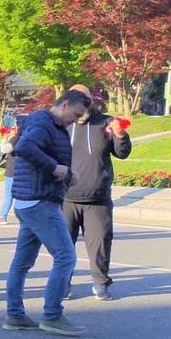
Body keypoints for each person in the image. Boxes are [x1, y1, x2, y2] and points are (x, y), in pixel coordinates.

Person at [5, 89, 92, 336]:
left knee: (22, 262)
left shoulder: (44, 122)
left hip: (29, 200)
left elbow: (32, 150)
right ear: (64, 105)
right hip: (39, 201)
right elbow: (25, 147)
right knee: (66, 257)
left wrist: (66, 174)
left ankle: (15, 314)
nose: (75, 121)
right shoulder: (44, 123)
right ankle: (52, 315)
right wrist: (55, 168)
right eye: (75, 115)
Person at [63, 93, 132, 300]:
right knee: (63, 246)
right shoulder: (61, 125)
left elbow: (122, 153)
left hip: (98, 198)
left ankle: (100, 283)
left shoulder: (106, 122)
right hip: (65, 198)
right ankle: (63, 284)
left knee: (100, 242)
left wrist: (120, 135)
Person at [0, 122, 20, 225]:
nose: (13, 128)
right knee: (18, 194)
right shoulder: (25, 137)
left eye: (15, 126)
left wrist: (5, 138)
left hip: (12, 170)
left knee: (9, 193)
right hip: (18, 170)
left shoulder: (15, 138)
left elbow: (4, 149)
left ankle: (3, 216)